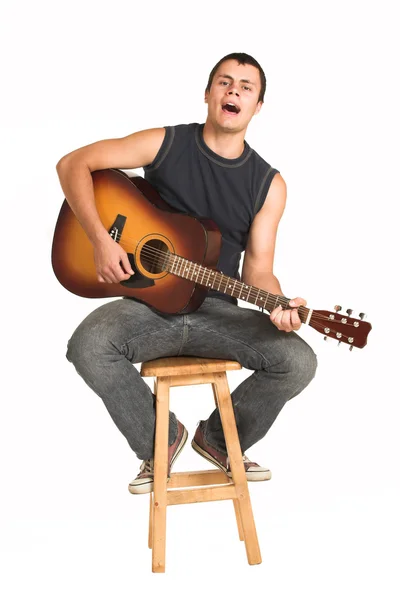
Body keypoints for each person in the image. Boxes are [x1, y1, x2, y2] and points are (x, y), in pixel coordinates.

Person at [56, 52, 317, 494]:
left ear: (257, 107)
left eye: (246, 87)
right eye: (224, 82)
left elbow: (258, 270)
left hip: (218, 312)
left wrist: (279, 304)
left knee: (298, 361)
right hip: (149, 306)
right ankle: (160, 442)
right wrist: (101, 239)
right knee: (88, 344)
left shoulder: (268, 185)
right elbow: (72, 164)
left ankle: (217, 442)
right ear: (208, 93)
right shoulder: (166, 142)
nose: (233, 90)